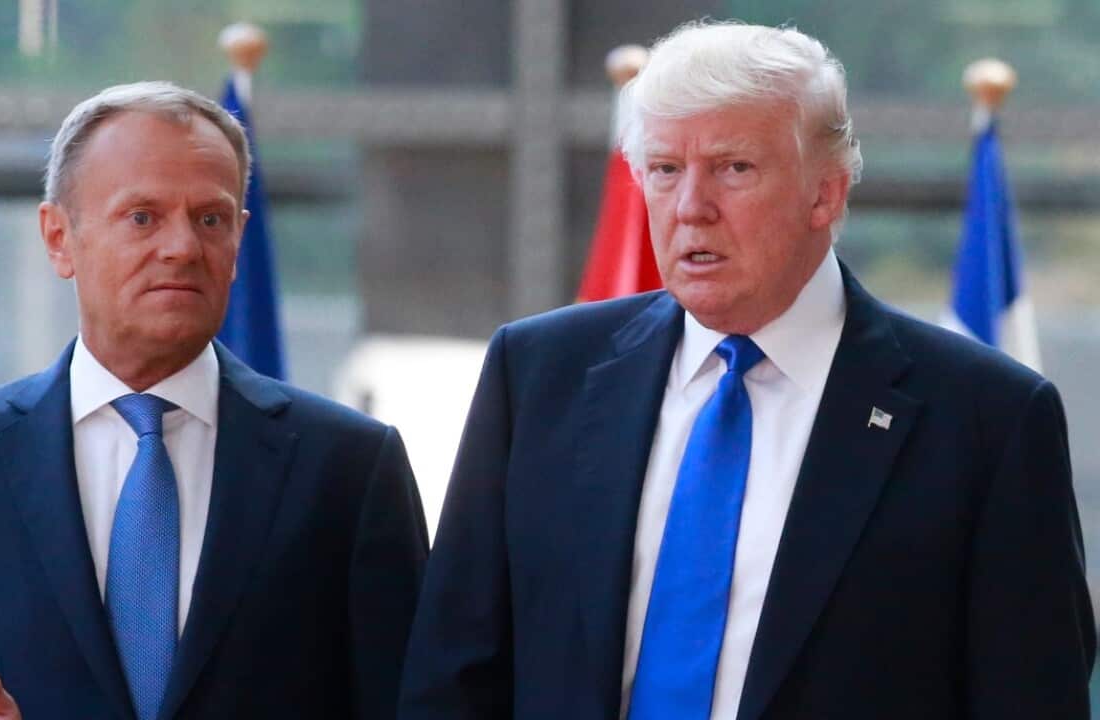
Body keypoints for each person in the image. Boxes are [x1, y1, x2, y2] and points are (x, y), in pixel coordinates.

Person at [398, 20, 1095, 720]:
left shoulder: (987, 418)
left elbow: (1031, 695)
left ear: (825, 194)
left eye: (734, 169)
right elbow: (453, 674)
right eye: (666, 170)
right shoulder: (540, 373)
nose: (690, 209)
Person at [0, 81, 428, 720]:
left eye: (210, 218)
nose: (182, 247)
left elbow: (417, 701)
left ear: (239, 239)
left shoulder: (350, 465)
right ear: (59, 237)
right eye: (143, 216)